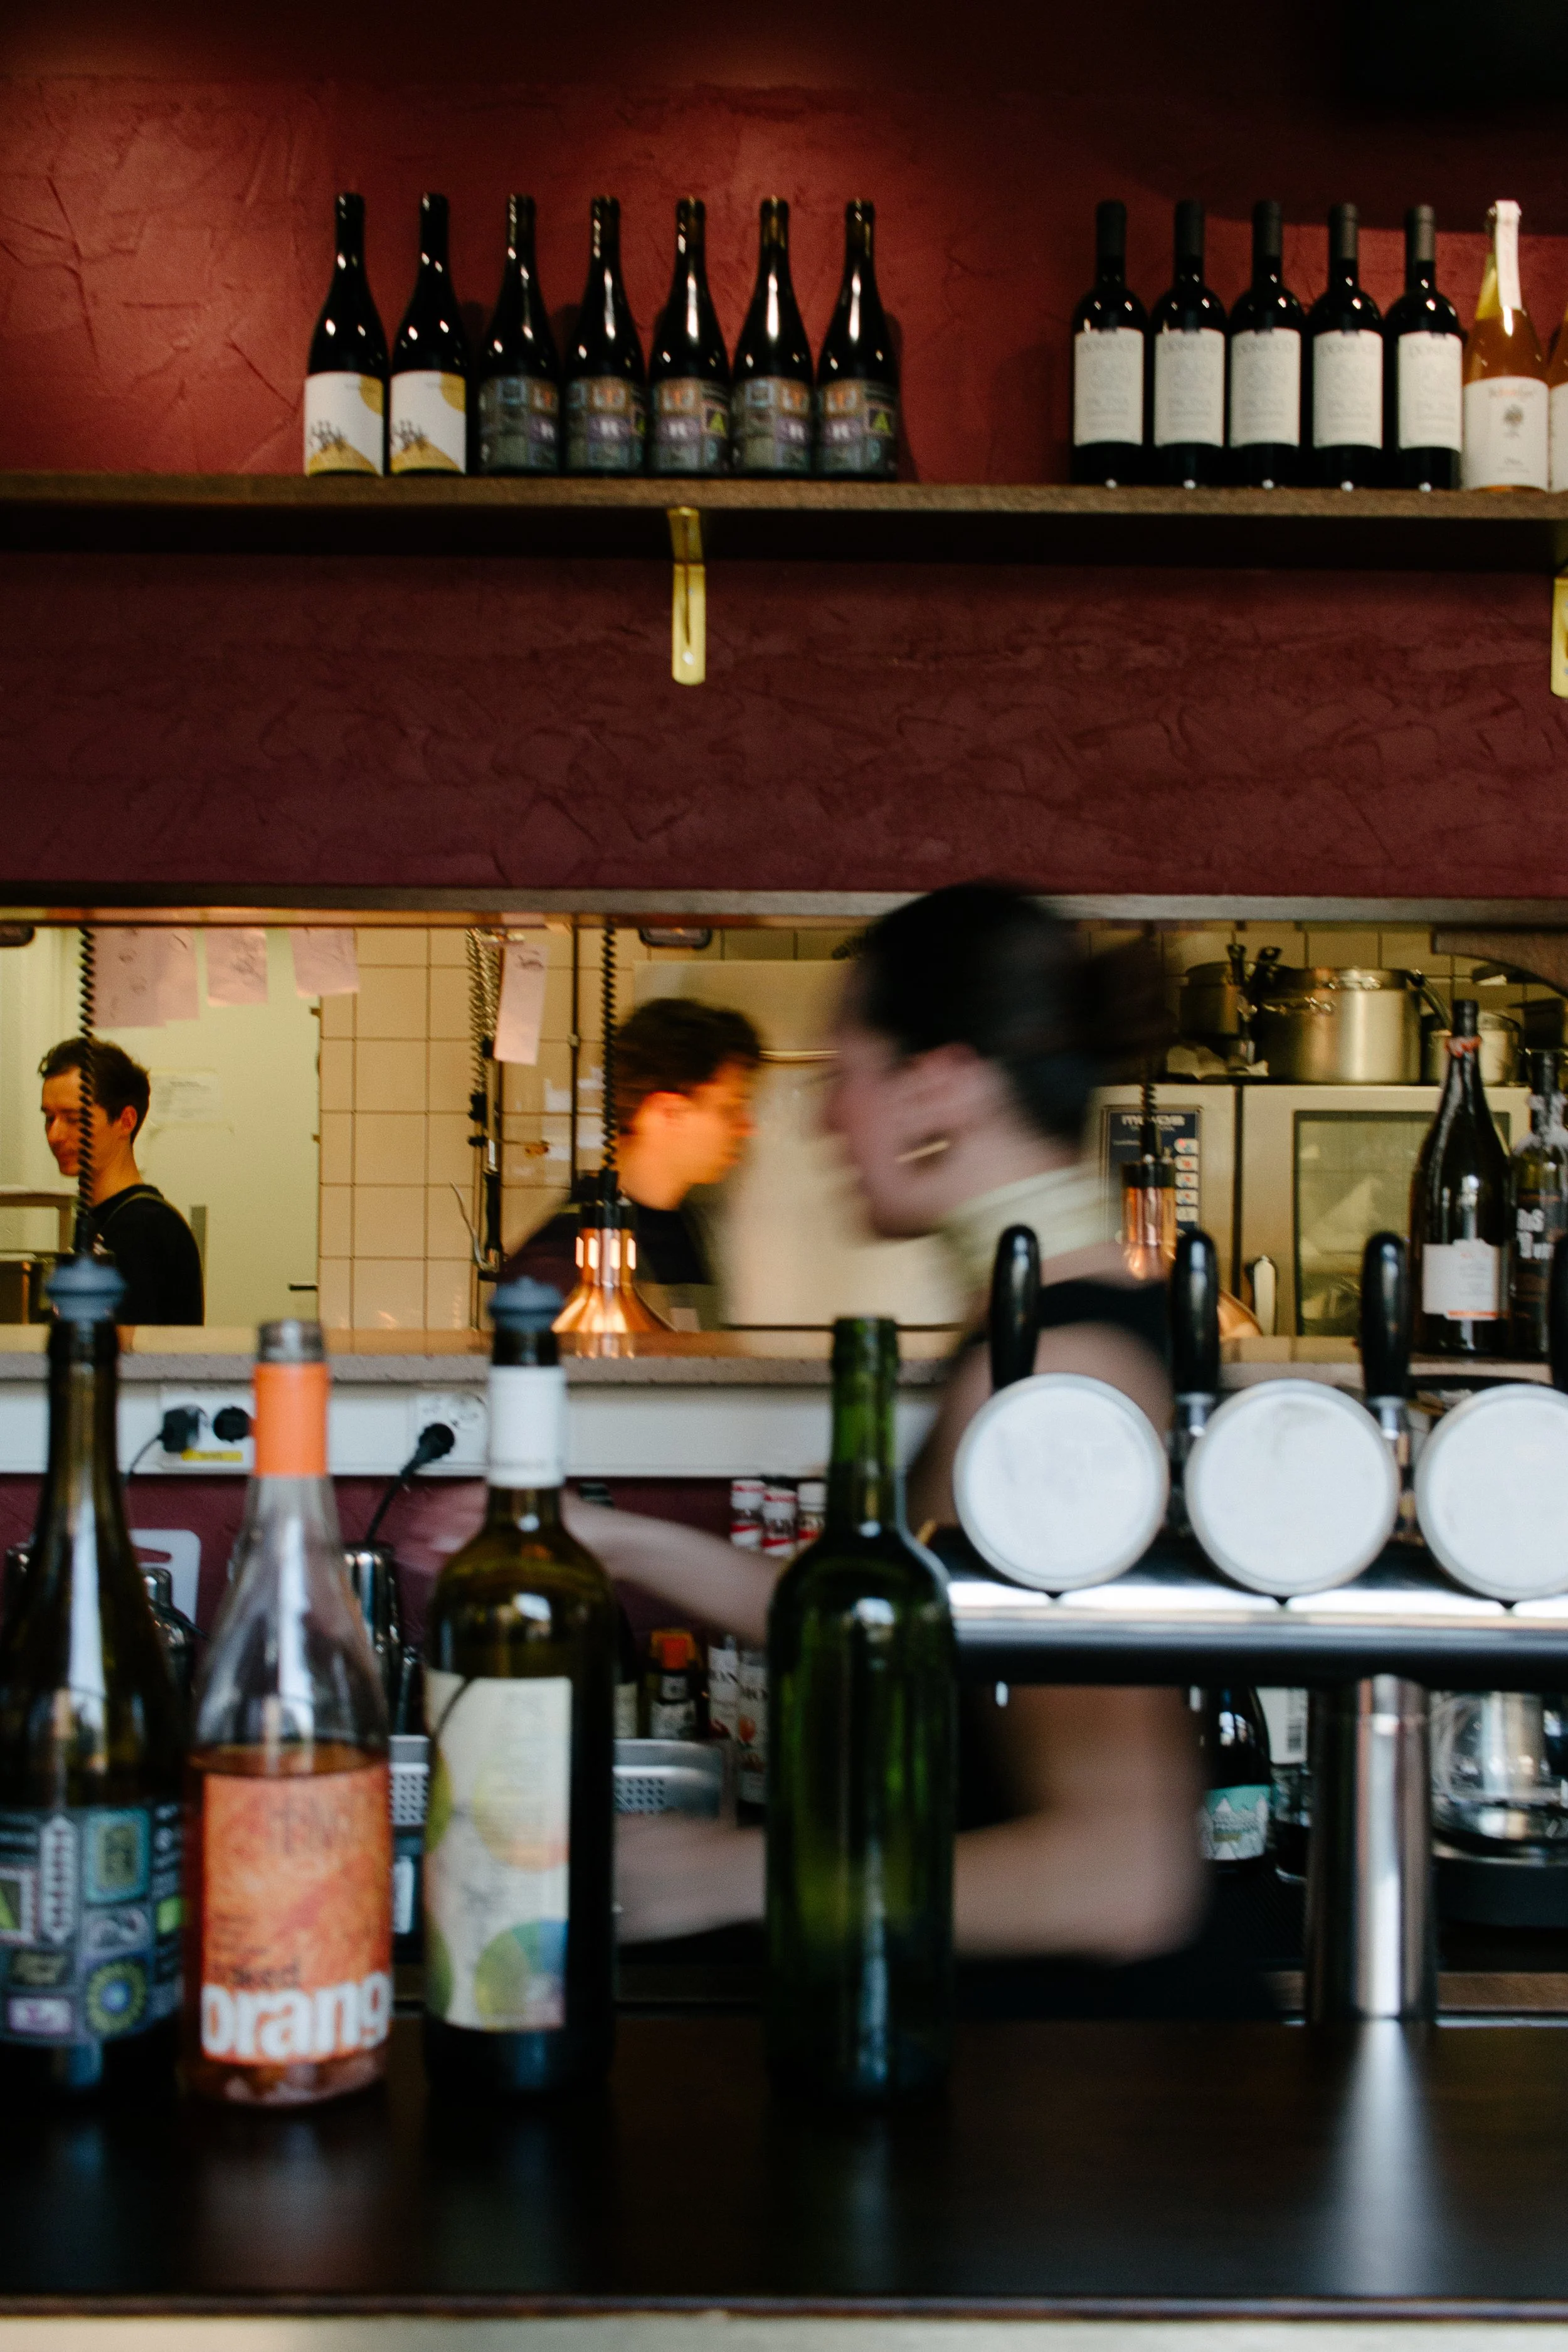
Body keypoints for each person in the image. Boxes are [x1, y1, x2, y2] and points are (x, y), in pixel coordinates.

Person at [405, 886, 1248, 2013]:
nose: (820, 1122)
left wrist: (733, 1874)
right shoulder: (1057, 1330)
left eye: (841, 1075)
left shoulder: (1052, 1377)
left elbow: (1120, 1877)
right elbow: (902, 1621)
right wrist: (608, 1538)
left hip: (1082, 2097)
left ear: (936, 1083)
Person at [506, 999, 761, 1328]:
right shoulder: (562, 1257)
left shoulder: (686, 1228)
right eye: (730, 1108)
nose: (747, 1127)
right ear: (666, 1114)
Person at [38, 1039, 204, 1325]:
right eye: (49, 1118)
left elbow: (127, 1353)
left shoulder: (143, 1227)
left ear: (125, 1121)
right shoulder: (100, 1220)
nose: (55, 1135)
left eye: (73, 1119)